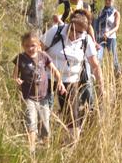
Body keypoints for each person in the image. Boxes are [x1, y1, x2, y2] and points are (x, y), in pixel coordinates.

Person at [43, 9, 103, 138]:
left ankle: (71, 144)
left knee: (72, 118)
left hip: (71, 82)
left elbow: (95, 65)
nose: (75, 34)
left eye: (79, 32)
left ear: (85, 30)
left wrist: (101, 88)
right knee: (42, 113)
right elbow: (38, 51)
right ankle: (42, 142)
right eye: (72, 29)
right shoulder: (56, 31)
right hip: (48, 78)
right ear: (69, 24)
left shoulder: (86, 40)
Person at [13, 31, 64, 152]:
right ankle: (32, 150)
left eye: (33, 45)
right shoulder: (20, 58)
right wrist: (16, 80)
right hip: (28, 96)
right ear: (23, 46)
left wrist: (60, 81)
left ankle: (46, 149)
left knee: (45, 125)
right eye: (27, 46)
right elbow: (15, 75)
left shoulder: (43, 56)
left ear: (38, 45)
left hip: (43, 97)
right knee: (31, 123)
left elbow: (54, 70)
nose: (30, 48)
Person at [94, 0, 121, 74]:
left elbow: (116, 27)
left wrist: (109, 33)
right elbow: (97, 24)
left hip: (111, 37)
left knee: (113, 58)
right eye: (106, 0)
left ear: (113, 1)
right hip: (100, 37)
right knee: (98, 57)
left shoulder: (115, 13)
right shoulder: (101, 12)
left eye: (109, 0)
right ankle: (98, 75)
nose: (107, 1)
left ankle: (118, 74)